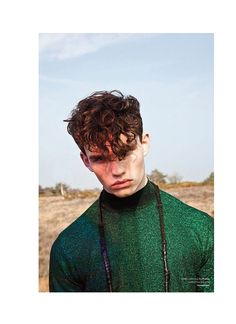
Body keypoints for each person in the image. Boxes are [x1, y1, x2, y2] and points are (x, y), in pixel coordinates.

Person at [49, 90, 214, 292]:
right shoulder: (68, 248)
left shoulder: (202, 230)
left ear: (144, 143)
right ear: (86, 161)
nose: (117, 171)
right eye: (100, 158)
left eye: (125, 152)